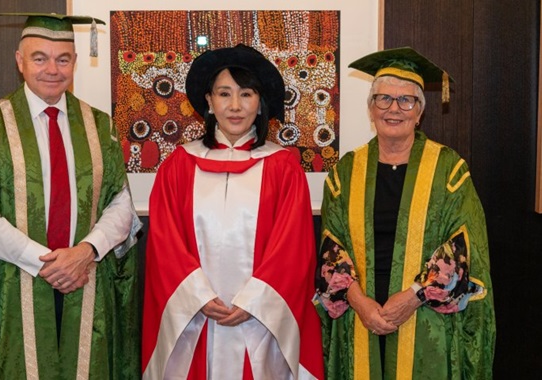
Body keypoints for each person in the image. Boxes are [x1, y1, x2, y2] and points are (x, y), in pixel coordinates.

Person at [0, 13, 142, 379]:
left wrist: (86, 252)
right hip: (16, 279)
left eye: (63, 59)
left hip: (86, 278)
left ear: (75, 63)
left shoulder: (100, 127)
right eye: (40, 58)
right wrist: (44, 262)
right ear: (20, 61)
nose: (53, 69)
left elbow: (121, 203)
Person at [141, 44, 324, 379]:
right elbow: (164, 243)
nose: (235, 106)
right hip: (195, 318)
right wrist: (198, 295)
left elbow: (293, 249)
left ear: (260, 102)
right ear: (209, 102)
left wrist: (253, 301)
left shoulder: (283, 168)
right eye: (224, 94)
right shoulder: (179, 166)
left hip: (261, 323)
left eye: (246, 94)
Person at [315, 47, 495, 379]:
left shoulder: (448, 170)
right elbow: (330, 247)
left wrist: (412, 297)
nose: (394, 109)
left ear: (419, 112)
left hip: (425, 317)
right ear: (371, 109)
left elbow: (462, 249)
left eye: (406, 101)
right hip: (361, 315)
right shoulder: (346, 171)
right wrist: (360, 302)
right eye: (383, 99)